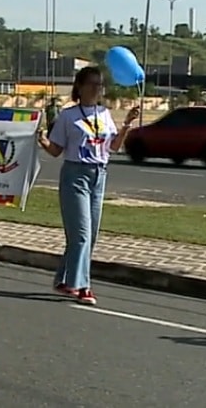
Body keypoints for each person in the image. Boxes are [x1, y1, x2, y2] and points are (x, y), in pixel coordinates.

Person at [37, 66, 140, 306]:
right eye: (92, 84)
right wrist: (42, 139)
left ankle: (63, 279)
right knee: (81, 235)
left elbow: (113, 147)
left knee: (89, 236)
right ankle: (82, 286)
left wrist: (126, 124)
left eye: (100, 84)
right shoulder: (68, 116)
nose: (97, 88)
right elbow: (56, 150)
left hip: (99, 175)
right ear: (80, 87)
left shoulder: (103, 113)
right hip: (75, 175)